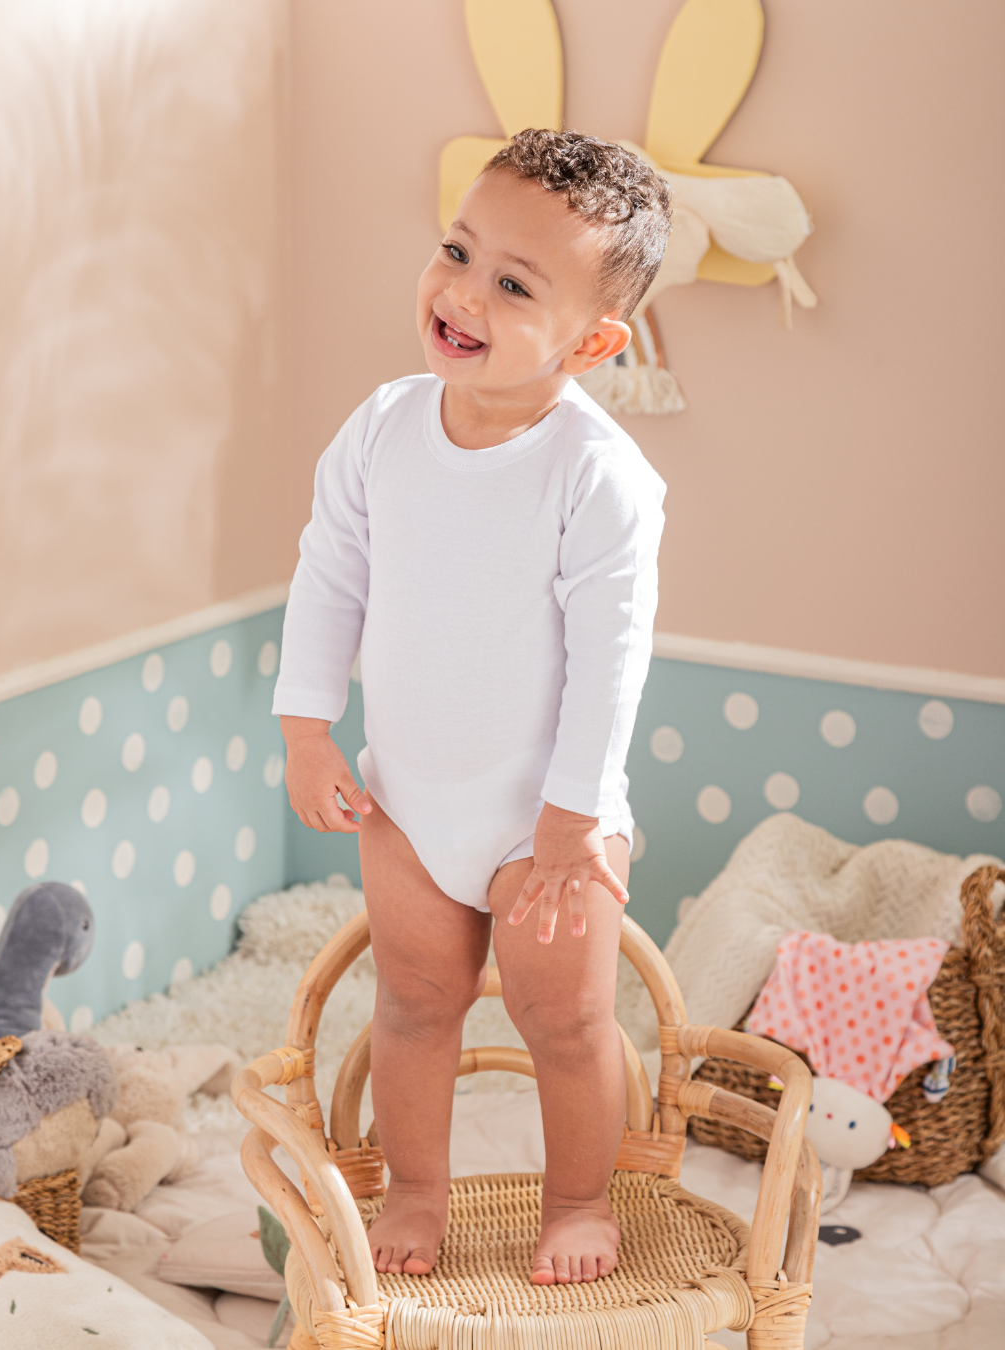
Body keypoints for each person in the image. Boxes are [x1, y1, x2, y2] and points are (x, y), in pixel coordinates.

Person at [274, 129, 670, 1287]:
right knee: (412, 1004)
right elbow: (328, 574)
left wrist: (574, 816)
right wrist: (307, 729)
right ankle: (415, 1189)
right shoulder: (383, 427)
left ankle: (580, 1200)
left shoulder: (596, 474)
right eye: (456, 252)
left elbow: (611, 660)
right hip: (409, 801)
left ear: (592, 343)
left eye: (513, 285)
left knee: (565, 1024)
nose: (462, 294)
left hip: (546, 823)